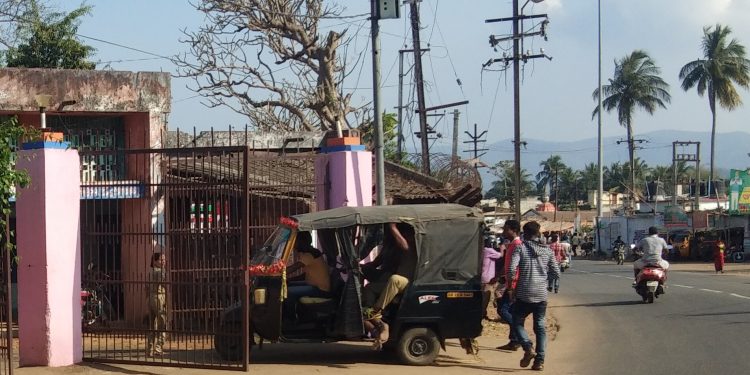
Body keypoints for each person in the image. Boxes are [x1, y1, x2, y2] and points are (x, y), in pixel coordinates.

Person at [508, 221, 560, 371]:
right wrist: (544, 279)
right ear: (538, 233)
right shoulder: (547, 250)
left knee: (517, 321)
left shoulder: (521, 248)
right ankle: (540, 361)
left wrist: (512, 286)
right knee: (540, 327)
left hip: (524, 293)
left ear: (524, 233)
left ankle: (527, 346)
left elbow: (511, 269)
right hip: (541, 294)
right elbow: (556, 273)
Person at [362, 223, 415, 349]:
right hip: (387, 278)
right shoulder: (389, 246)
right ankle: (365, 309)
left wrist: (393, 227)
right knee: (368, 285)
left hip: (404, 279)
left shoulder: (410, 244)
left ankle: (376, 311)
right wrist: (360, 267)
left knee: (390, 280)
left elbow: (404, 246)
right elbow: (375, 263)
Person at [284, 231, 331, 319]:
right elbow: (305, 275)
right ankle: (299, 314)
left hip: (320, 290)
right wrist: (290, 280)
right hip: (312, 285)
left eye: (295, 241)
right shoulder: (310, 252)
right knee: (288, 286)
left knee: (288, 292)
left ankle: (290, 320)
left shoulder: (309, 254)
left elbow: (292, 269)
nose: (294, 244)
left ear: (302, 242)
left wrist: (279, 273)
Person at [496, 219, 522, 351]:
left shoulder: (517, 245)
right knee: (510, 310)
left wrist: (511, 286)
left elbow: (514, 268)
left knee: (503, 310)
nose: (504, 231)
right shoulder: (511, 244)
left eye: (506, 229)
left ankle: (518, 333)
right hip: (509, 282)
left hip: (513, 284)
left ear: (513, 230)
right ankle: (514, 340)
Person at [147, 252, 167, 357]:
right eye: (161, 260)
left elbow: (146, 287)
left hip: (150, 298)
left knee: (151, 325)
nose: (163, 262)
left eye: (164, 260)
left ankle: (149, 349)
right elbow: (163, 283)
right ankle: (158, 348)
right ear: (155, 261)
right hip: (159, 297)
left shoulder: (150, 272)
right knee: (162, 324)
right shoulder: (160, 271)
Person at [482, 237, 503, 319]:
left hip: (483, 277)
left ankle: (483, 313)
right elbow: (501, 255)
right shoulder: (489, 250)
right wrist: (502, 248)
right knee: (486, 297)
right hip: (488, 278)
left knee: (484, 296)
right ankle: (483, 313)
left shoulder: (483, 250)